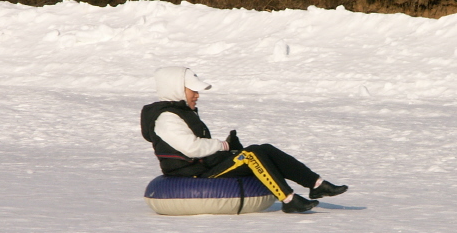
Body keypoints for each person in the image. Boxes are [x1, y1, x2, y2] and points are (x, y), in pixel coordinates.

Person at [140, 66, 348, 213]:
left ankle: (316, 184)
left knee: (262, 149)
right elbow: (191, 148)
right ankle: (288, 199)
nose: (197, 95)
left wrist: (226, 148)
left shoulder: (181, 112)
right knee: (250, 156)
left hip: (203, 167)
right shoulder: (166, 118)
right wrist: (224, 145)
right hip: (192, 175)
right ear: (176, 89)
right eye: (192, 90)